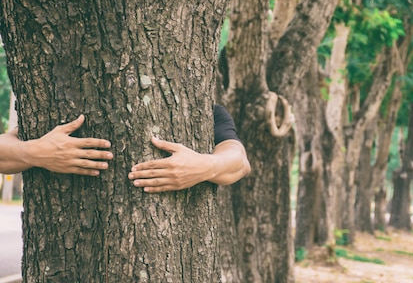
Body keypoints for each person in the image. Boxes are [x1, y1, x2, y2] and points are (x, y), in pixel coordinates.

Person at [0, 105, 250, 188]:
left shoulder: (204, 110)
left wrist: (206, 166)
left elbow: (239, 162)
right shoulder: (61, 106)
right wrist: (35, 152)